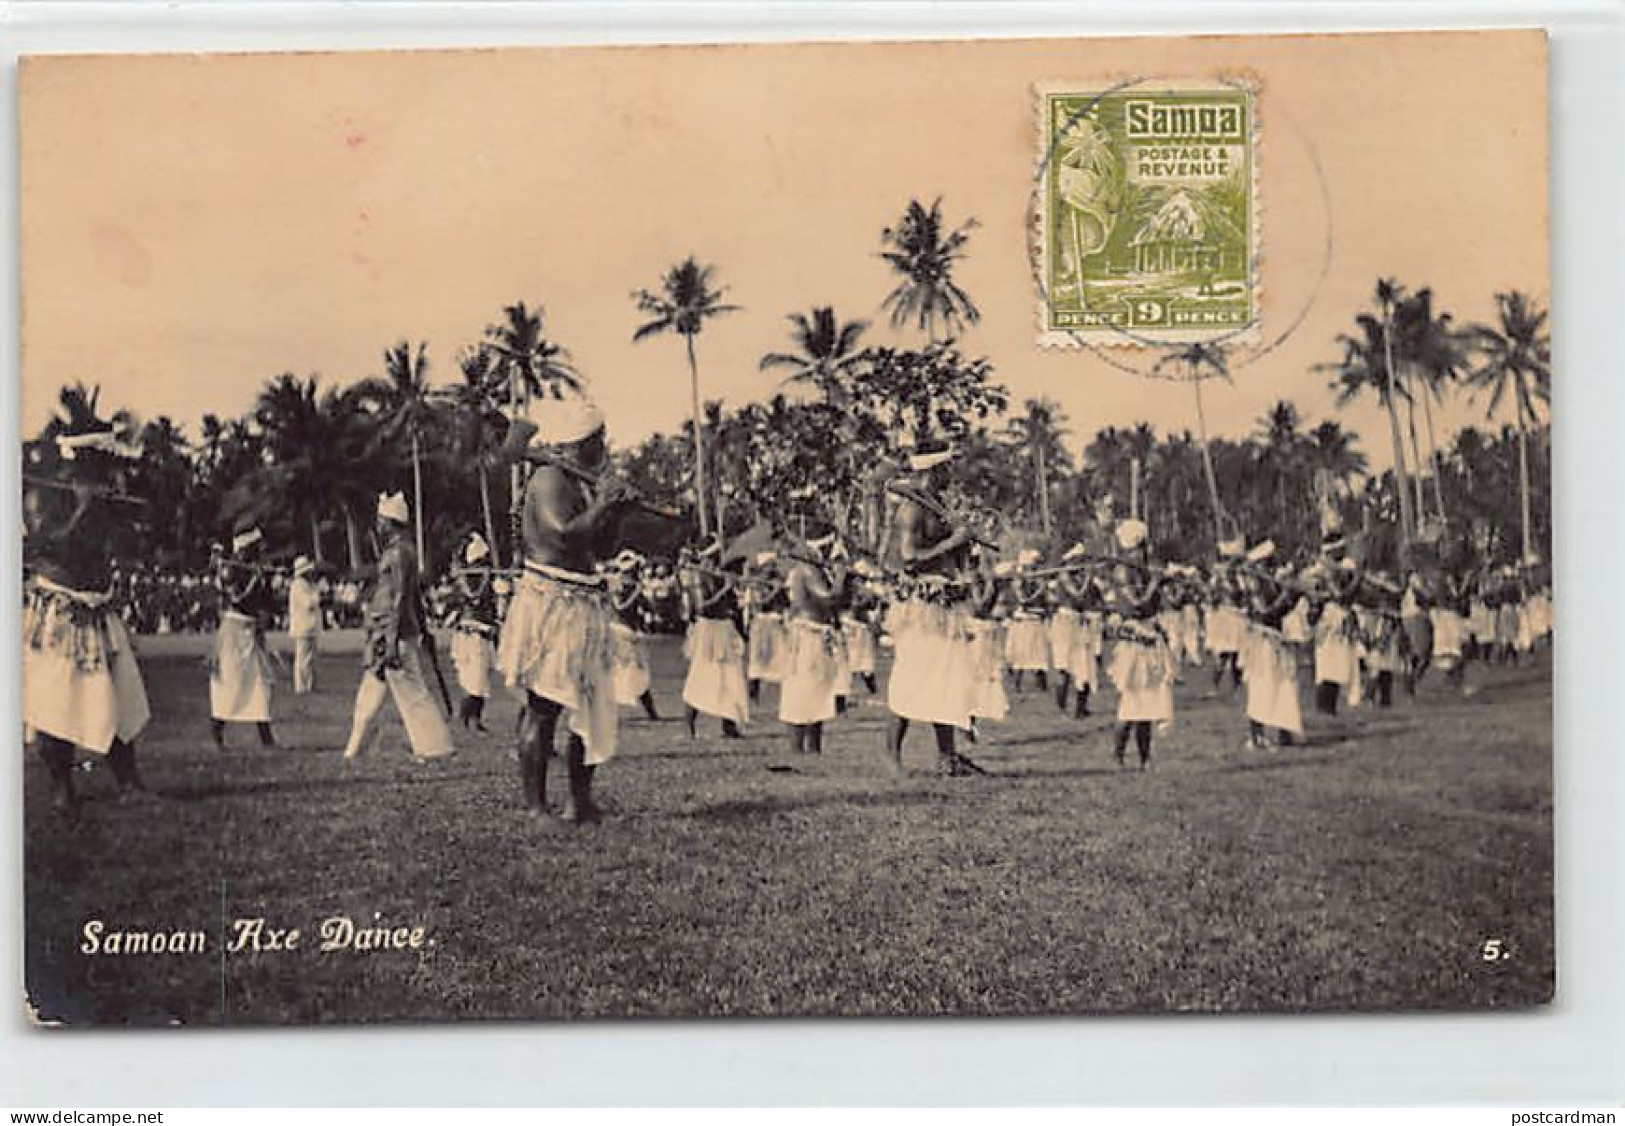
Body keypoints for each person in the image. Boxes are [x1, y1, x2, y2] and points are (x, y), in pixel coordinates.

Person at [494, 397, 632, 822]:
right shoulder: (550, 478)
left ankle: (580, 802)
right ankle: (536, 806)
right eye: (599, 438)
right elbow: (565, 536)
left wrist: (616, 511)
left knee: (590, 705)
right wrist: (604, 502)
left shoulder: (580, 482)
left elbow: (601, 547)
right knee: (545, 706)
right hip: (553, 604)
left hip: (583, 601)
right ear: (584, 441)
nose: (605, 444)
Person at [22, 423, 153, 809]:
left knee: (117, 694)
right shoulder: (44, 495)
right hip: (61, 611)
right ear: (84, 460)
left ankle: (128, 780)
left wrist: (111, 509)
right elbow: (47, 544)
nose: (111, 472)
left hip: (98, 605)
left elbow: (126, 546)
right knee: (56, 698)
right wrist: (84, 507)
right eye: (103, 463)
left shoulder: (105, 498)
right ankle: (62, 785)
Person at [883, 439, 983, 776]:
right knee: (914, 675)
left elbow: (949, 556)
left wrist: (964, 550)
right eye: (947, 467)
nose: (951, 474)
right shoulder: (911, 509)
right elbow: (910, 558)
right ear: (934, 469)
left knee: (947, 678)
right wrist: (952, 541)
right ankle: (892, 758)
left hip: (944, 603)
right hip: (922, 607)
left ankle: (947, 757)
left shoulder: (938, 506)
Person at [339, 493, 455, 762]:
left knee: (412, 691)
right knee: (372, 690)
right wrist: (423, 630)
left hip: (394, 634)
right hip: (385, 632)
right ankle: (354, 750)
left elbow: (403, 596)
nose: (378, 525)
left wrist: (392, 640)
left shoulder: (401, 552)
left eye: (381, 520)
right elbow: (413, 597)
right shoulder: (400, 550)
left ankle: (436, 747)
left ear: (392, 522)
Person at [1103, 520, 1174, 769]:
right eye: (1140, 548)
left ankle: (1145, 758)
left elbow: (1151, 605)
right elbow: (1136, 606)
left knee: (1149, 704)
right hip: (1134, 639)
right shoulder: (1123, 572)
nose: (1142, 553)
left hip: (1150, 637)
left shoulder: (1142, 570)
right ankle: (1118, 756)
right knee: (1131, 703)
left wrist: (1160, 582)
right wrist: (1155, 583)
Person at [779, 529, 851, 755]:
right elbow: (829, 598)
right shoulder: (807, 571)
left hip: (817, 635)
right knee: (803, 689)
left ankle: (813, 748)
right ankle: (798, 748)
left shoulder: (815, 570)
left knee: (818, 690)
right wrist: (841, 577)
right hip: (808, 636)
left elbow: (839, 604)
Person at [209, 528, 279, 750]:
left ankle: (266, 739)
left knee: (260, 684)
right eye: (256, 547)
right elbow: (236, 599)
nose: (261, 551)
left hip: (251, 629)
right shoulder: (230, 570)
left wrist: (265, 582)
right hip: (232, 631)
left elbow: (266, 603)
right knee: (229, 684)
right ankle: (217, 734)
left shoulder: (257, 570)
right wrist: (253, 581)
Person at [680, 541, 750, 739]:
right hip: (709, 629)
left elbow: (732, 605)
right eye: (715, 557)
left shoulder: (719, 575)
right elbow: (702, 607)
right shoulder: (698, 577)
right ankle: (688, 724)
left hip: (724, 628)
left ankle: (729, 725)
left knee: (730, 675)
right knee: (701, 674)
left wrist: (734, 589)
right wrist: (725, 589)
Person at [1239, 544, 1305, 749]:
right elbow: (1265, 613)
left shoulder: (1273, 582)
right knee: (1262, 685)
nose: (1272, 568)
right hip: (1262, 641)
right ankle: (1256, 736)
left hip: (1278, 638)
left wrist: (1294, 597)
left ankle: (1285, 731)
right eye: (1268, 563)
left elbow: (1282, 612)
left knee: (1286, 684)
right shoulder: (1252, 584)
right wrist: (1286, 597)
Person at [449, 532, 500, 731]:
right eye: (482, 560)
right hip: (470, 634)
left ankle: (475, 719)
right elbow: (474, 598)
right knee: (475, 681)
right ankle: (465, 719)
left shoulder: (485, 579)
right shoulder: (465, 580)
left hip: (485, 634)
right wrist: (486, 578)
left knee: (483, 680)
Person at [607, 549, 661, 721]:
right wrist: (636, 594)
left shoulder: (634, 585)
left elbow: (648, 608)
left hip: (632, 631)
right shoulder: (617, 585)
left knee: (639, 671)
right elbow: (619, 607)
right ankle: (609, 709)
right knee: (621, 671)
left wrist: (646, 602)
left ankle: (651, 711)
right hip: (619, 630)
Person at [1311, 559, 1363, 715]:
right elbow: (1340, 597)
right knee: (1328, 667)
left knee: (1339, 667)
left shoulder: (1341, 581)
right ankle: (1324, 707)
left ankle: (1330, 707)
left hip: (1340, 621)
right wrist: (1357, 580)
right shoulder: (1329, 578)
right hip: (1330, 620)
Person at [287, 555, 322, 695]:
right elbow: (308, 604)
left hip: (311, 626)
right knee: (303, 659)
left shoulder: (309, 585)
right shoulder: (297, 586)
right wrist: (317, 596)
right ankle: (301, 686)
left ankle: (311, 684)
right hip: (303, 626)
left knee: (312, 658)